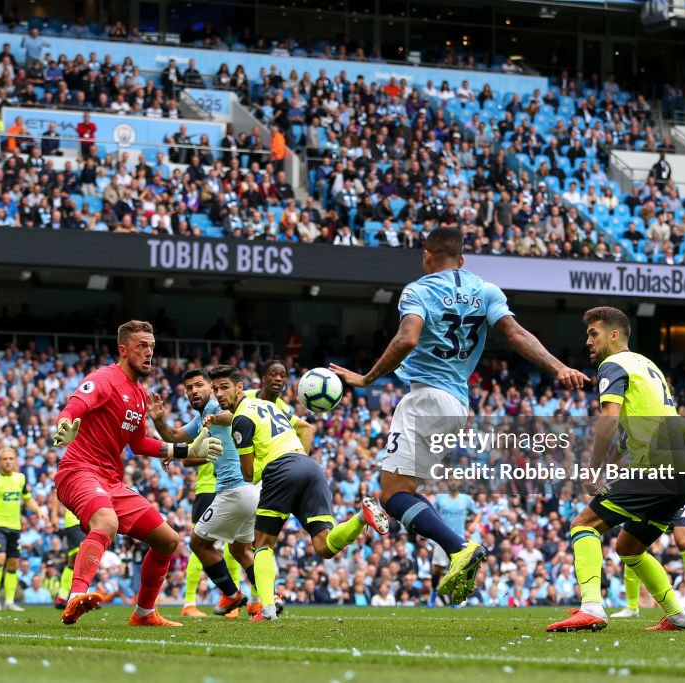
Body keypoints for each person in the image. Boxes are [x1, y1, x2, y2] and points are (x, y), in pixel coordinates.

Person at [331, 227, 588, 604]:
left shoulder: (418, 291)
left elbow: (407, 339)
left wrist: (368, 377)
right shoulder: (485, 290)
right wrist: (559, 367)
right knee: (406, 493)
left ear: (426, 256)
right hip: (458, 407)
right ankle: (457, 550)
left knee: (392, 495)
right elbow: (516, 334)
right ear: (463, 259)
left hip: (424, 399)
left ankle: (458, 547)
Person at [546, 306, 685, 633]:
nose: (588, 341)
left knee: (584, 524)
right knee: (629, 547)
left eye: (593, 333)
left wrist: (593, 469)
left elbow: (610, 417)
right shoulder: (648, 364)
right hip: (682, 471)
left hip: (657, 464)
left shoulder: (613, 364)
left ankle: (592, 607)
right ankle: (679, 616)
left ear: (614, 335)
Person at [51, 320, 223, 627]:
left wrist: (186, 451)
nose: (149, 353)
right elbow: (75, 405)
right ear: (123, 350)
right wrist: (64, 424)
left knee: (168, 540)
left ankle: (144, 613)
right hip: (79, 470)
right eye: (142, 346)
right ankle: (76, 595)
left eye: (152, 347)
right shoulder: (104, 378)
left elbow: (138, 443)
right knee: (107, 522)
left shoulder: (140, 394)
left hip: (111, 481)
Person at [209, 365, 390, 621]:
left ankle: (268, 609)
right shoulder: (271, 406)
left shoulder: (241, 420)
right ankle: (361, 517)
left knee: (261, 544)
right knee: (324, 546)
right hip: (309, 466)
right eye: (215, 388)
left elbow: (249, 474)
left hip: (281, 470)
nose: (218, 394)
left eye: (224, 387)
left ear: (240, 388)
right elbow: (304, 428)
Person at [152, 369, 264, 619]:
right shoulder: (204, 414)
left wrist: (214, 419)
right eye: (188, 388)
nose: (193, 391)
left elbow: (230, 415)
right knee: (240, 550)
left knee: (198, 543)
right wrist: (159, 421)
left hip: (233, 489)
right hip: (248, 490)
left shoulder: (217, 406)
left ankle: (231, 595)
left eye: (198, 385)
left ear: (211, 388)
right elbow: (175, 437)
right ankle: (268, 600)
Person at [611, 498, 685, 618]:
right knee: (632, 546)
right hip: (653, 496)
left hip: (679, 497)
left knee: (684, 542)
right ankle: (632, 606)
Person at [0, 446, 43, 612]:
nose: (8, 461)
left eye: (10, 459)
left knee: (13, 564)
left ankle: (9, 601)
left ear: (15, 461)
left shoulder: (20, 478)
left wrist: (39, 511)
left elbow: (27, 499)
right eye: (4, 459)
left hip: (15, 527)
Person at [430, 480, 477, 605]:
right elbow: (430, 513)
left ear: (459, 483)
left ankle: (455, 600)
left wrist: (473, 524)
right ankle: (433, 593)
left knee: (457, 570)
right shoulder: (440, 498)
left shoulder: (466, 499)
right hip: (441, 538)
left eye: (456, 480)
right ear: (447, 482)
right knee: (436, 570)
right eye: (451, 479)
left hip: (458, 540)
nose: (453, 482)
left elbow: (477, 514)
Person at [49, 501, 82, 610]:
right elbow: (56, 492)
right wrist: (54, 515)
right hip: (75, 520)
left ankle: (62, 597)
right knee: (82, 557)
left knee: (73, 562)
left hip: (93, 519)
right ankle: (78, 596)